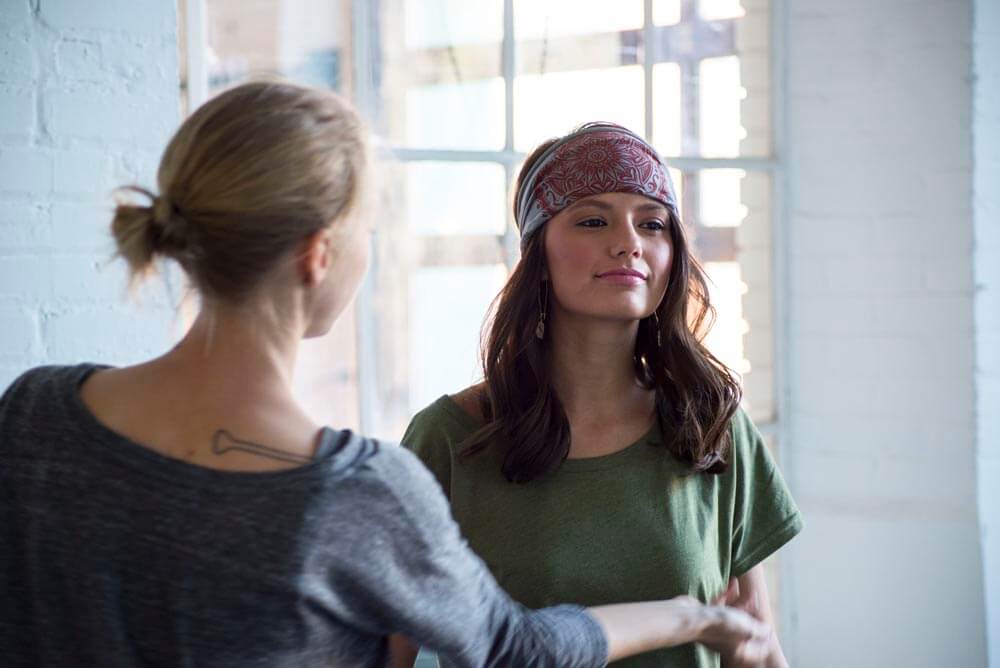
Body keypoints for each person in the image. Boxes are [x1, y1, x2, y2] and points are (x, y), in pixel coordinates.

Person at [0, 84, 774, 668]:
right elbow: (518, 650)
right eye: (366, 230)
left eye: (651, 221)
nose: (629, 244)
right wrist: (691, 617)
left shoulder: (33, 413)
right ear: (318, 254)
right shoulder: (358, 492)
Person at [401, 122, 804, 667]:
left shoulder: (712, 426)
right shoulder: (449, 439)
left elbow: (761, 647)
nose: (629, 243)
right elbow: (389, 653)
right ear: (536, 256)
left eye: (653, 224)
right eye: (592, 220)